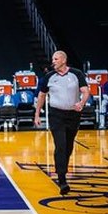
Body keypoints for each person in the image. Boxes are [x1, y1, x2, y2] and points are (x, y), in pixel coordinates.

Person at [34, 50, 90, 195]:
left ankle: (62, 169)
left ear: (64, 60)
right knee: (60, 145)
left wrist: (82, 103)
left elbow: (85, 91)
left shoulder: (76, 74)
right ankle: (62, 179)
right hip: (56, 115)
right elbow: (41, 95)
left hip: (73, 114)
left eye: (56, 59)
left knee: (69, 145)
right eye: (53, 59)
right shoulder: (49, 76)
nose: (53, 61)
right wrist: (37, 114)